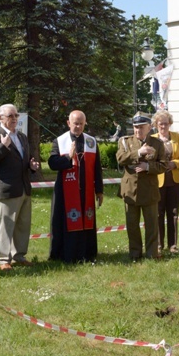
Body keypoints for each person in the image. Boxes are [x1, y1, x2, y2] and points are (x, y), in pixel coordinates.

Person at [0, 104, 40, 271]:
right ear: (0, 118)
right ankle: (3, 259)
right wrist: (3, 146)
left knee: (23, 224)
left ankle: (19, 256)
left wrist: (32, 165)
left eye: (16, 115)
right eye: (10, 116)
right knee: (7, 226)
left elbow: (26, 158)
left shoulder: (22, 136)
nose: (14, 118)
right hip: (7, 189)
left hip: (24, 187)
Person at [48, 110, 104, 263]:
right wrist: (68, 156)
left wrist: (99, 191)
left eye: (81, 123)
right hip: (66, 193)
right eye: (75, 123)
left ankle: (87, 253)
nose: (78, 126)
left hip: (86, 191)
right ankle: (67, 254)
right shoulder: (60, 141)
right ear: (68, 123)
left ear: (85, 123)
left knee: (87, 220)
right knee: (67, 221)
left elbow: (97, 169)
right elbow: (52, 164)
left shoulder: (91, 142)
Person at [116, 112, 167, 259]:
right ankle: (135, 253)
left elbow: (163, 166)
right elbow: (120, 158)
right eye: (135, 127)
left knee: (151, 225)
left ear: (149, 127)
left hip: (149, 190)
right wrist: (138, 152)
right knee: (132, 225)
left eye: (141, 127)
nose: (138, 130)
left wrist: (148, 167)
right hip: (130, 190)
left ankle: (152, 254)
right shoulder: (125, 142)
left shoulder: (157, 143)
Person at [151, 110, 179, 255]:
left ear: (170, 124)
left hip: (175, 181)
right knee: (158, 213)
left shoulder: (177, 137)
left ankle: (173, 245)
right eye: (160, 124)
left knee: (173, 212)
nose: (163, 126)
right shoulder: (152, 139)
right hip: (157, 182)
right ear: (156, 124)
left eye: (166, 124)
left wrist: (176, 163)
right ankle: (159, 244)